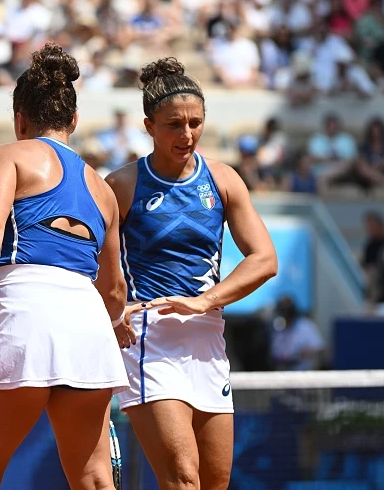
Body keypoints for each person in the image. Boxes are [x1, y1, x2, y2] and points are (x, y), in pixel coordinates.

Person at [0, 43, 130, 490]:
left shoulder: (7, 155)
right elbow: (115, 288)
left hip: (26, 315)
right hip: (89, 329)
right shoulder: (102, 190)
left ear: (19, 119)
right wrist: (117, 323)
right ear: (75, 121)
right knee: (96, 482)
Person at [106, 58, 278, 490]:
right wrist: (111, 313)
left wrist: (208, 299)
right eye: (173, 125)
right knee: (183, 480)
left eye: (195, 123)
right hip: (150, 340)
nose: (187, 135)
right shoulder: (121, 185)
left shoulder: (223, 179)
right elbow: (90, 261)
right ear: (148, 125)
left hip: (208, 341)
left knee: (214, 483)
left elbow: (264, 259)